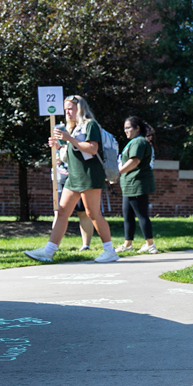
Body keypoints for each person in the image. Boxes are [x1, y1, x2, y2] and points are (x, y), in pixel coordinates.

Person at [25, 95, 119, 263]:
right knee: (62, 212)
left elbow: (92, 148)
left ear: (80, 109)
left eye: (71, 108)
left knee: (93, 213)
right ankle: (49, 251)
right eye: (66, 109)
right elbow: (72, 155)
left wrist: (68, 139)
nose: (67, 112)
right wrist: (60, 146)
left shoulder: (90, 125)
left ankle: (109, 250)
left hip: (89, 176)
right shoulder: (74, 128)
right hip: (74, 176)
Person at [115, 116, 157, 254]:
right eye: (124, 128)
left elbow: (134, 161)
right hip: (129, 185)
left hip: (137, 183)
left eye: (128, 128)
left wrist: (117, 172)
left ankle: (150, 244)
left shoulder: (139, 142)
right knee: (127, 215)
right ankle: (128, 244)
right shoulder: (134, 142)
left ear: (137, 128)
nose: (125, 131)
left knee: (141, 214)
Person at [56, 161, 95, 250]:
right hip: (61, 178)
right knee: (59, 213)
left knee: (83, 212)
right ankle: (54, 245)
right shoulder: (56, 147)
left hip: (79, 177)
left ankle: (86, 245)